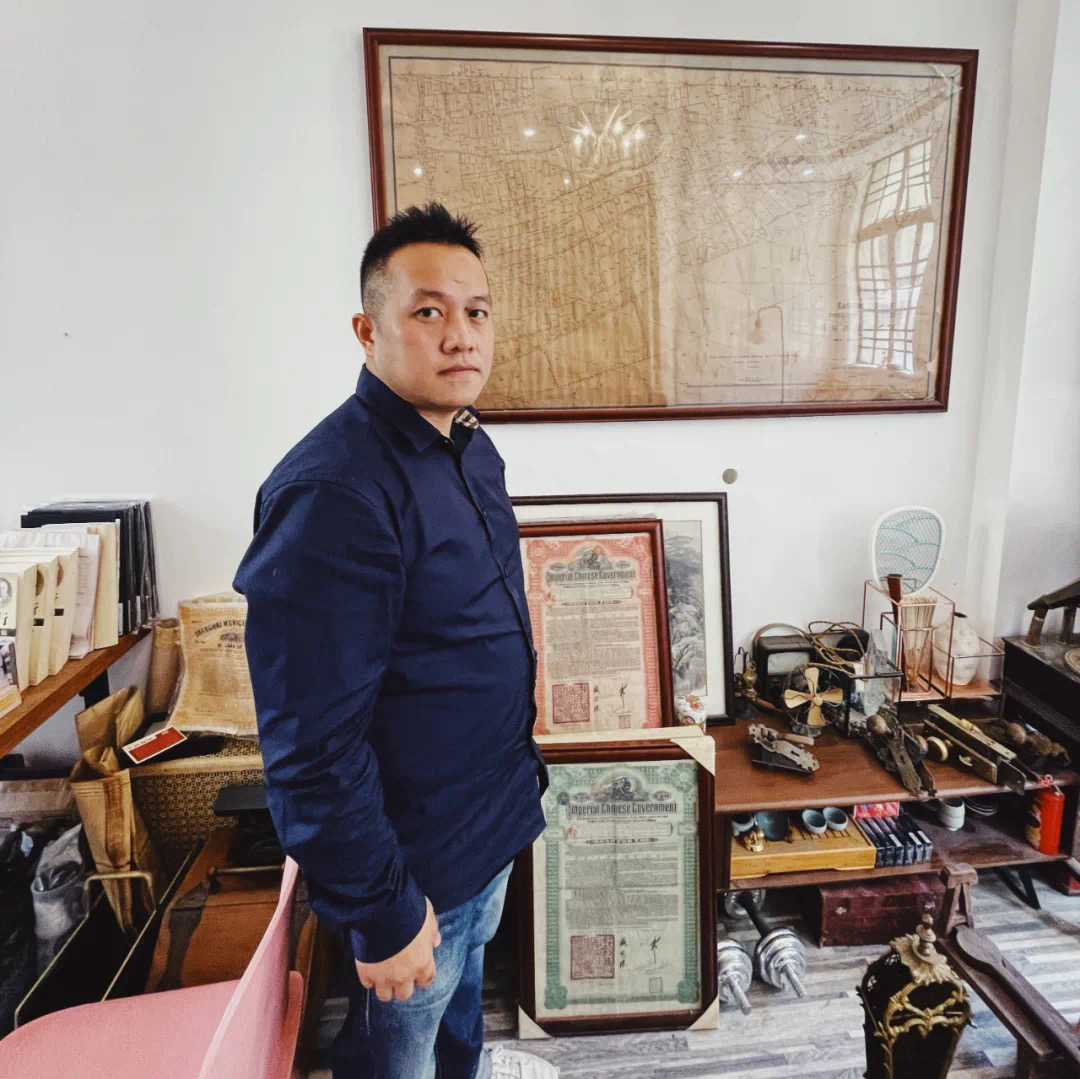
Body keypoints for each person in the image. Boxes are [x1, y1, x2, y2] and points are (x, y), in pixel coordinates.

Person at [234, 203, 558, 1079]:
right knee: (397, 1056)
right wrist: (382, 910)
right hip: (412, 865)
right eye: (428, 311)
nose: (461, 334)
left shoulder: (467, 445)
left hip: (484, 825)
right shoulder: (335, 492)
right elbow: (310, 746)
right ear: (366, 330)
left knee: (458, 1027)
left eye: (476, 310)